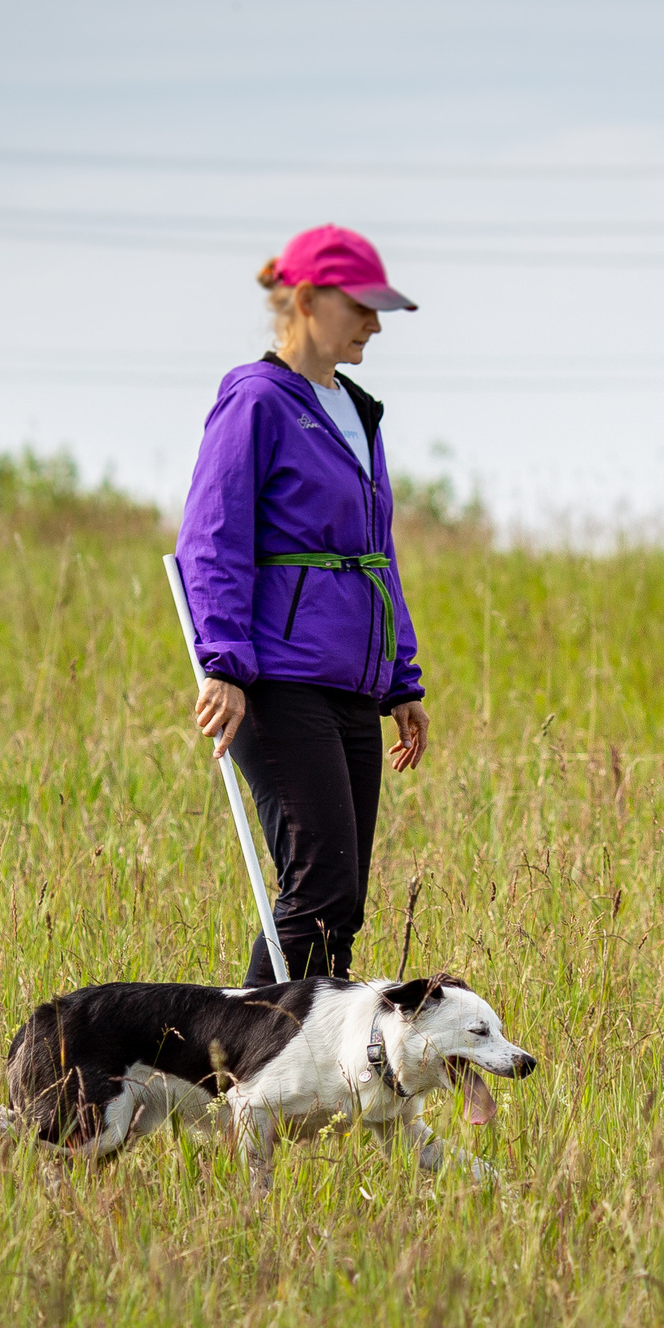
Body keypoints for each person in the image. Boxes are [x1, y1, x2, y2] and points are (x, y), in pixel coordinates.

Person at [173, 225, 430, 984]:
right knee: (317, 889)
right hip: (277, 683)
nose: (376, 325)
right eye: (363, 307)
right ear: (309, 299)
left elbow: (374, 553)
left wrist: (400, 679)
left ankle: (302, 1086)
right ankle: (243, 1074)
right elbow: (211, 536)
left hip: (351, 683)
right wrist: (222, 664)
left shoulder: (357, 408)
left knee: (341, 902)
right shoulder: (254, 400)